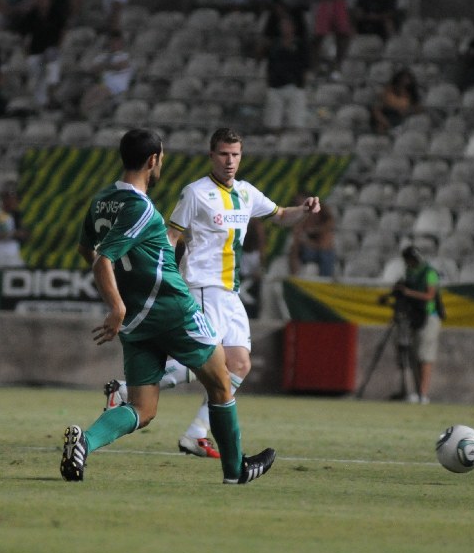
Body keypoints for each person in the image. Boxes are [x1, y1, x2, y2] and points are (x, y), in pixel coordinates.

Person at [61, 128, 277, 484]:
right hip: (173, 308)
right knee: (223, 381)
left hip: (137, 320)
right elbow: (102, 261)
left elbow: (89, 250)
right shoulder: (142, 208)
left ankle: (86, 441)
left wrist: (123, 301)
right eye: (161, 158)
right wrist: (115, 307)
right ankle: (235, 471)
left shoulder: (101, 200)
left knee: (143, 409)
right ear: (153, 161)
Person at [104, 127, 321, 459]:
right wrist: (163, 277)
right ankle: (125, 391)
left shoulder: (247, 193)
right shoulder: (195, 193)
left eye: (235, 154)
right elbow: (171, 238)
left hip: (231, 292)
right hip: (203, 286)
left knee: (239, 365)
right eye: (223, 154)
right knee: (210, 361)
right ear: (211, 156)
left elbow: (280, 216)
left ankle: (194, 433)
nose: (230, 160)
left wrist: (303, 210)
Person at [394, 245, 443, 405]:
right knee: (415, 356)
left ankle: (423, 393)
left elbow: (430, 295)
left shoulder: (429, 273)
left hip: (429, 317)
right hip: (415, 318)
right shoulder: (411, 273)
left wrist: (408, 292)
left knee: (425, 356)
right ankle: (417, 392)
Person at [263, 12, 310, 131]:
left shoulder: (301, 45)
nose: (285, 28)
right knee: (273, 123)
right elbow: (270, 65)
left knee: (296, 122)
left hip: (295, 86)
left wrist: (301, 85)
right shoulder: (274, 45)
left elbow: (306, 65)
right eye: (283, 25)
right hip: (276, 86)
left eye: (288, 25)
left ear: (293, 27)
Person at [288, 188, 336, 277]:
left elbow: (325, 242)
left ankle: (325, 281)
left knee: (326, 255)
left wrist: (315, 231)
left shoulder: (322, 213)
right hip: (308, 250)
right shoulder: (298, 218)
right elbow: (297, 243)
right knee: (294, 251)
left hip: (321, 248)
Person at [311, 0, 351, 74]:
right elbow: (319, 30)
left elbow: (343, 28)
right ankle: (321, 68)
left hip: (339, 38)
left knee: (339, 43)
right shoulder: (322, 6)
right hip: (323, 37)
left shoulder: (340, 5)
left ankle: (338, 67)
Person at [0, 186, 28, 267]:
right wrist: (12, 234)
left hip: (14, 255)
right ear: (5, 200)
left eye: (16, 200)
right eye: (13, 199)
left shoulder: (16, 215)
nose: (15, 202)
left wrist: (23, 235)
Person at [370, 67, 421, 134]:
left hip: (401, 117)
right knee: (377, 112)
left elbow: (417, 108)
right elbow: (382, 103)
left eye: (407, 78)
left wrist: (408, 111)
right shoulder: (389, 90)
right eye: (403, 78)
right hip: (388, 112)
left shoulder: (412, 94)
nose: (405, 81)